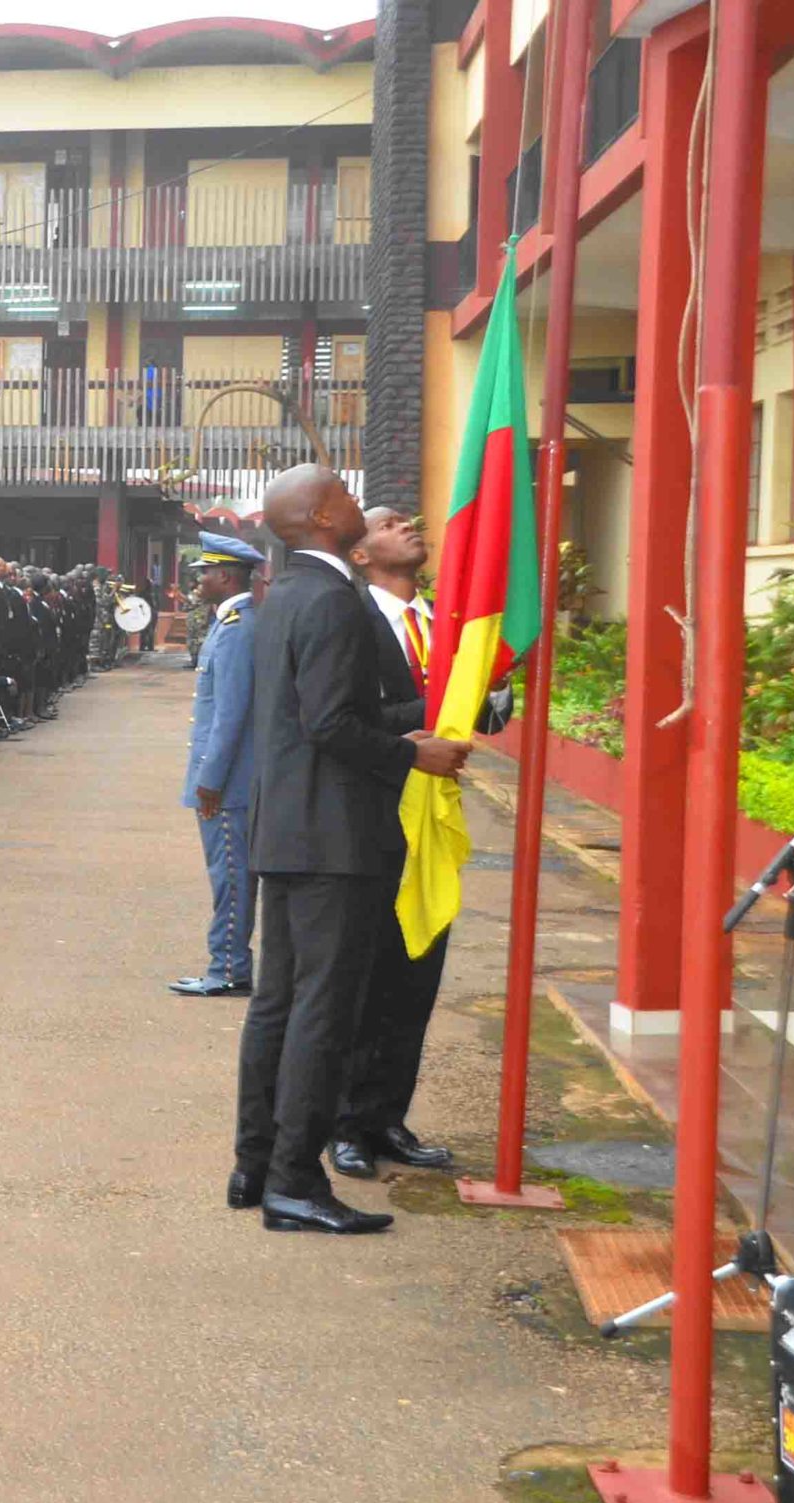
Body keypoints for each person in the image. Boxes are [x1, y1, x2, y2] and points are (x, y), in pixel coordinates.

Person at [230, 465, 468, 1237]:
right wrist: (413, 753)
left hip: (290, 828)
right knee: (320, 1016)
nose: (361, 500)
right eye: (346, 491)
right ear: (327, 515)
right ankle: (295, 1182)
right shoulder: (333, 598)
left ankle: (258, 1163)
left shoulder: (287, 592)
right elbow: (333, 723)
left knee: (279, 1005)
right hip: (336, 836)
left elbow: (314, 717)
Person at [329, 508, 512, 1180]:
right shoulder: (350, 619)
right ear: (360, 553)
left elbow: (489, 713)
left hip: (433, 822)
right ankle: (344, 1124)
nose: (411, 529)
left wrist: (488, 690)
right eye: (390, 523)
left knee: (416, 977)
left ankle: (386, 1119)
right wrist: (439, 711)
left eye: (413, 522)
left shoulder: (444, 621)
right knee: (366, 978)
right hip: (372, 819)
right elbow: (345, 718)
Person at [170, 533, 264, 999]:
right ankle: (228, 962)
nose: (199, 579)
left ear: (226, 576)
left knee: (231, 876)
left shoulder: (238, 628)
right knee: (230, 874)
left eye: (204, 572)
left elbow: (231, 714)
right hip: (227, 778)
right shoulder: (230, 622)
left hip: (228, 783)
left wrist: (210, 779)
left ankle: (227, 967)